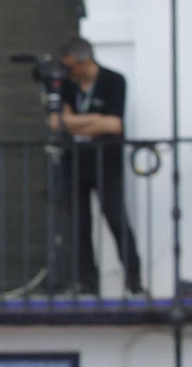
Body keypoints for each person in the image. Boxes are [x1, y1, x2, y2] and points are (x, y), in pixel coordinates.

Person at [51, 37, 144, 295]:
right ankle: (87, 282)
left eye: (71, 66)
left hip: (106, 163)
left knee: (117, 220)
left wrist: (76, 120)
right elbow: (57, 123)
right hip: (75, 163)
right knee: (80, 225)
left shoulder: (114, 81)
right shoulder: (67, 86)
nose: (69, 72)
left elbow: (114, 125)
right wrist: (93, 120)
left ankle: (134, 279)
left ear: (84, 61)